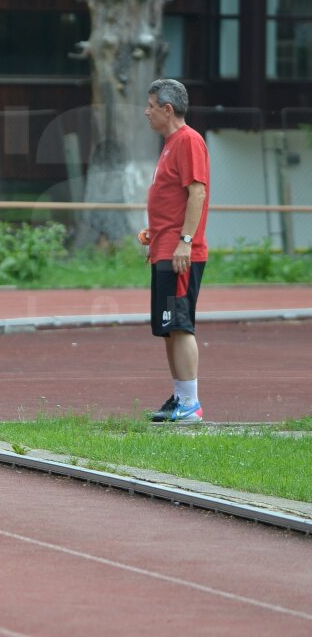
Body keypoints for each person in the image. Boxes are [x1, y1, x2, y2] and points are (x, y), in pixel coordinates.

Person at [142, 78, 210, 424]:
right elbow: (173, 198)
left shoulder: (188, 140)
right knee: (169, 326)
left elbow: (197, 192)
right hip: (165, 249)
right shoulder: (171, 144)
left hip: (180, 253)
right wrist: (155, 235)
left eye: (151, 106)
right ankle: (181, 397)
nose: (147, 112)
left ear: (167, 109)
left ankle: (191, 404)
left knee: (180, 325)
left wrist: (185, 240)